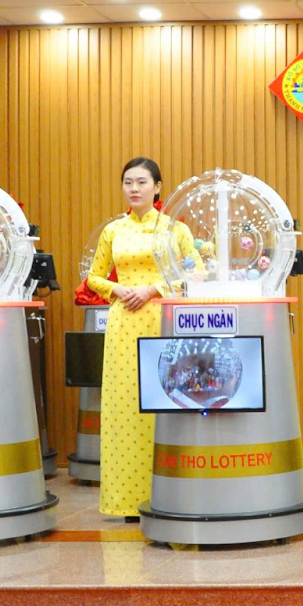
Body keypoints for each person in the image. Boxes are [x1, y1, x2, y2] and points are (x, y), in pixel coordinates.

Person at [86, 157, 195, 519]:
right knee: (125, 407)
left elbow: (194, 273)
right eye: (128, 182)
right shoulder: (113, 230)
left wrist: (152, 289)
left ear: (158, 187)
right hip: (123, 322)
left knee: (165, 402)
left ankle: (170, 495)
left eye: (142, 182)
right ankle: (127, 499)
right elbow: (93, 277)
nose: (134, 189)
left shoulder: (174, 230)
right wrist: (117, 289)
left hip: (163, 321)